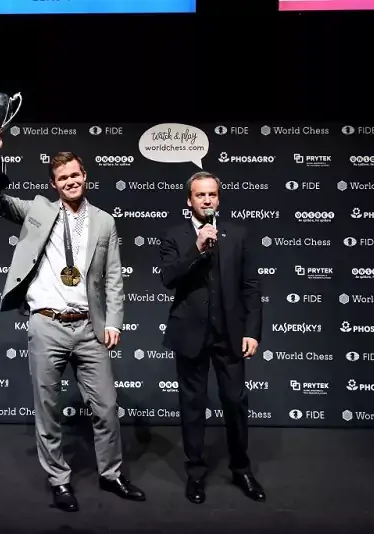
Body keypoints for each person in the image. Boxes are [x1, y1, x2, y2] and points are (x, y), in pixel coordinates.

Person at [0, 128, 145, 512]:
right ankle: (59, 480)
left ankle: (111, 475)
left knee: (105, 407)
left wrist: (114, 322)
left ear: (85, 176)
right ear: (53, 184)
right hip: (47, 324)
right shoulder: (38, 211)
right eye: (62, 178)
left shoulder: (104, 222)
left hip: (90, 327)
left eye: (75, 175)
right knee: (48, 409)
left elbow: (115, 277)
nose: (70, 181)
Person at [158, 171, 265, 504]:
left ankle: (241, 469)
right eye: (200, 195)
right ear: (188, 200)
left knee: (234, 402)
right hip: (190, 334)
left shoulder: (238, 234)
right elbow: (168, 278)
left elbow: (250, 287)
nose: (207, 200)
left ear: (219, 198)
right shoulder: (175, 236)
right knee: (192, 406)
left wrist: (252, 331)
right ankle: (195, 474)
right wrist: (198, 247)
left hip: (230, 334)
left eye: (212, 195)